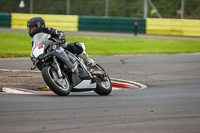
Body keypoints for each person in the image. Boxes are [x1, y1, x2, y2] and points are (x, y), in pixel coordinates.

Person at [27, 17, 96, 67]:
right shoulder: (34, 40)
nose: (32, 29)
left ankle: (88, 60)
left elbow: (60, 33)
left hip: (60, 47)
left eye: (34, 27)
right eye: (31, 28)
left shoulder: (48, 30)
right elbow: (35, 49)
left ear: (39, 25)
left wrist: (61, 39)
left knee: (74, 45)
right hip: (49, 53)